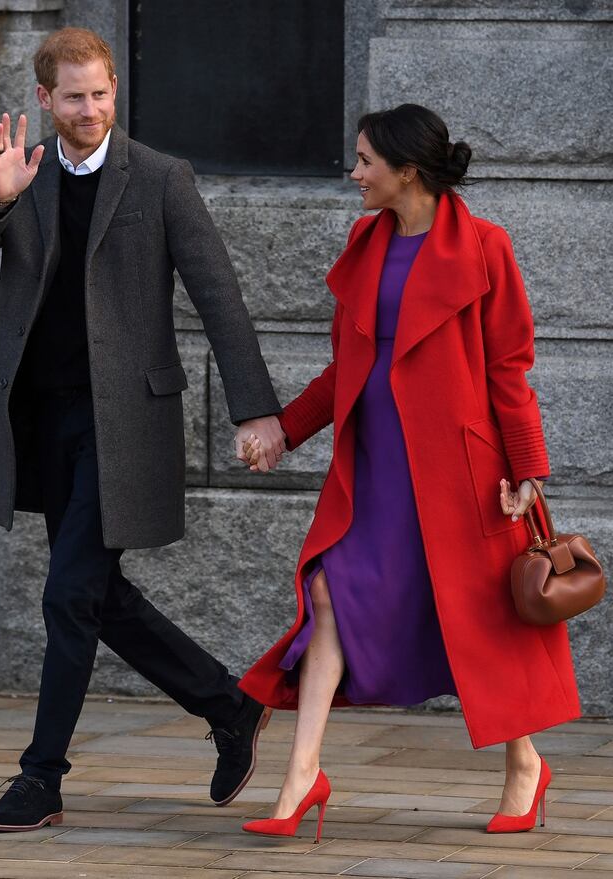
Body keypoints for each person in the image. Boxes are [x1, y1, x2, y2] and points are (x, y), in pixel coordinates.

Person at [0, 27, 284, 831]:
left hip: (123, 424)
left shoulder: (162, 179)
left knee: (69, 592)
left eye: (100, 94)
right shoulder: (24, 172)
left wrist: (255, 408)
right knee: (98, 596)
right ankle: (229, 706)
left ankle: (40, 777)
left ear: (114, 90)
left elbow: (219, 295)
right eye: (72, 97)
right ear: (43, 100)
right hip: (42, 420)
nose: (89, 109)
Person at [238, 104, 580, 842]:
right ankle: (302, 776)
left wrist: (527, 468)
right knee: (327, 592)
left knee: (479, 618)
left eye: (365, 160)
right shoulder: (366, 243)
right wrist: (285, 429)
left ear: (407, 171)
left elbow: (510, 367)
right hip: (375, 466)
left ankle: (525, 763)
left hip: (463, 472)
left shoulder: (486, 247)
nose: (354, 173)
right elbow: (346, 368)